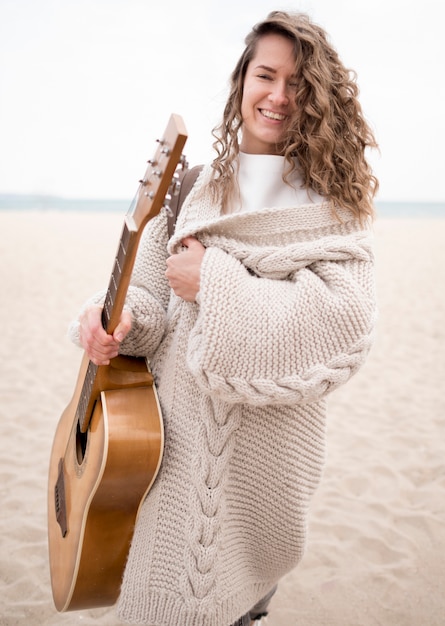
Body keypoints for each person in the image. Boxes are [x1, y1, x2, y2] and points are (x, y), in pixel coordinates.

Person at [70, 10, 378, 626]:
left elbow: (342, 320)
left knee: (239, 607)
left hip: (268, 470)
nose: (279, 96)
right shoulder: (187, 187)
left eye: (299, 84)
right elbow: (154, 303)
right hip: (171, 454)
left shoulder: (334, 207)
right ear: (242, 81)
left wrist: (213, 278)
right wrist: (116, 321)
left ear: (317, 99)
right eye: (266, 75)